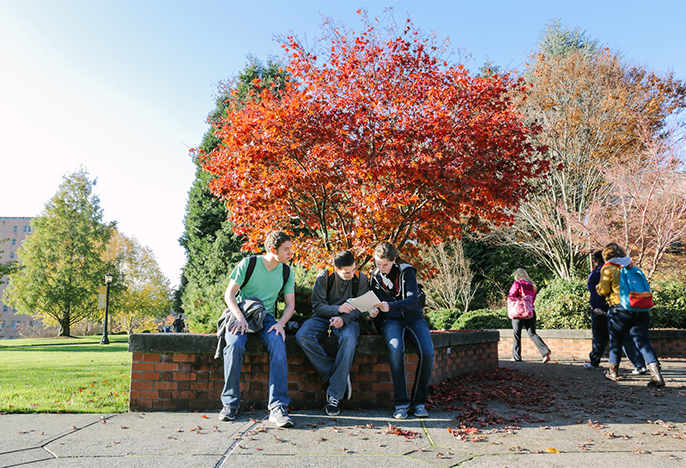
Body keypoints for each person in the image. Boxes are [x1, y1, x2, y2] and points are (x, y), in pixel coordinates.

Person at [216, 231, 296, 427]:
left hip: (266, 317)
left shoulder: (286, 271)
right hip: (242, 313)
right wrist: (239, 317)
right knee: (234, 345)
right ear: (272, 250)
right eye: (286, 249)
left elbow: (290, 304)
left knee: (278, 343)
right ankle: (230, 404)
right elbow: (229, 294)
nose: (290, 253)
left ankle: (278, 407)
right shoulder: (249, 264)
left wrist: (280, 324)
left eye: (290, 249)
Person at [296, 250, 369, 416]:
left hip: (348, 321)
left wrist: (343, 318)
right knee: (303, 336)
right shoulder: (324, 277)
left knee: (349, 338)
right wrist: (336, 309)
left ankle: (334, 395)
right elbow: (317, 306)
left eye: (353, 270)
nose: (351, 275)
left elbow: (361, 308)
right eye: (346, 273)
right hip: (323, 318)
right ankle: (339, 376)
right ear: (336, 269)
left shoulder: (362, 279)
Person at [368, 242, 434, 420]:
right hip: (391, 321)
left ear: (394, 260)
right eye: (377, 264)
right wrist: (373, 312)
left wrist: (390, 306)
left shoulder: (407, 272)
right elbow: (373, 302)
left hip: (413, 318)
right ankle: (401, 404)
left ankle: (419, 403)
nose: (381, 268)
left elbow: (413, 301)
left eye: (385, 264)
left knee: (427, 352)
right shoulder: (374, 276)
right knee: (396, 350)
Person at [596, 243, 665, 387]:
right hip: (641, 310)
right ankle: (656, 375)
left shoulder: (608, 268)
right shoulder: (633, 266)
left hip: (620, 310)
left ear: (606, 255)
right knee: (643, 342)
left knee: (616, 341)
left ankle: (612, 372)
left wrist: (597, 287)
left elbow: (603, 290)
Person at [584, 250, 646, 373]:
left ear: (596, 260)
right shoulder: (621, 269)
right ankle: (639, 365)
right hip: (621, 307)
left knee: (600, 337)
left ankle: (595, 362)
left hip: (602, 308)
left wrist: (596, 306)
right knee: (624, 338)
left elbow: (596, 292)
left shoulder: (599, 272)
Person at [508, 268, 551, 363]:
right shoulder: (532, 286)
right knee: (532, 333)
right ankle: (545, 351)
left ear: (517, 275)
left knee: (517, 334)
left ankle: (516, 357)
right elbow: (532, 299)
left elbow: (511, 296)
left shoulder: (517, 284)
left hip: (519, 312)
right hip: (530, 311)